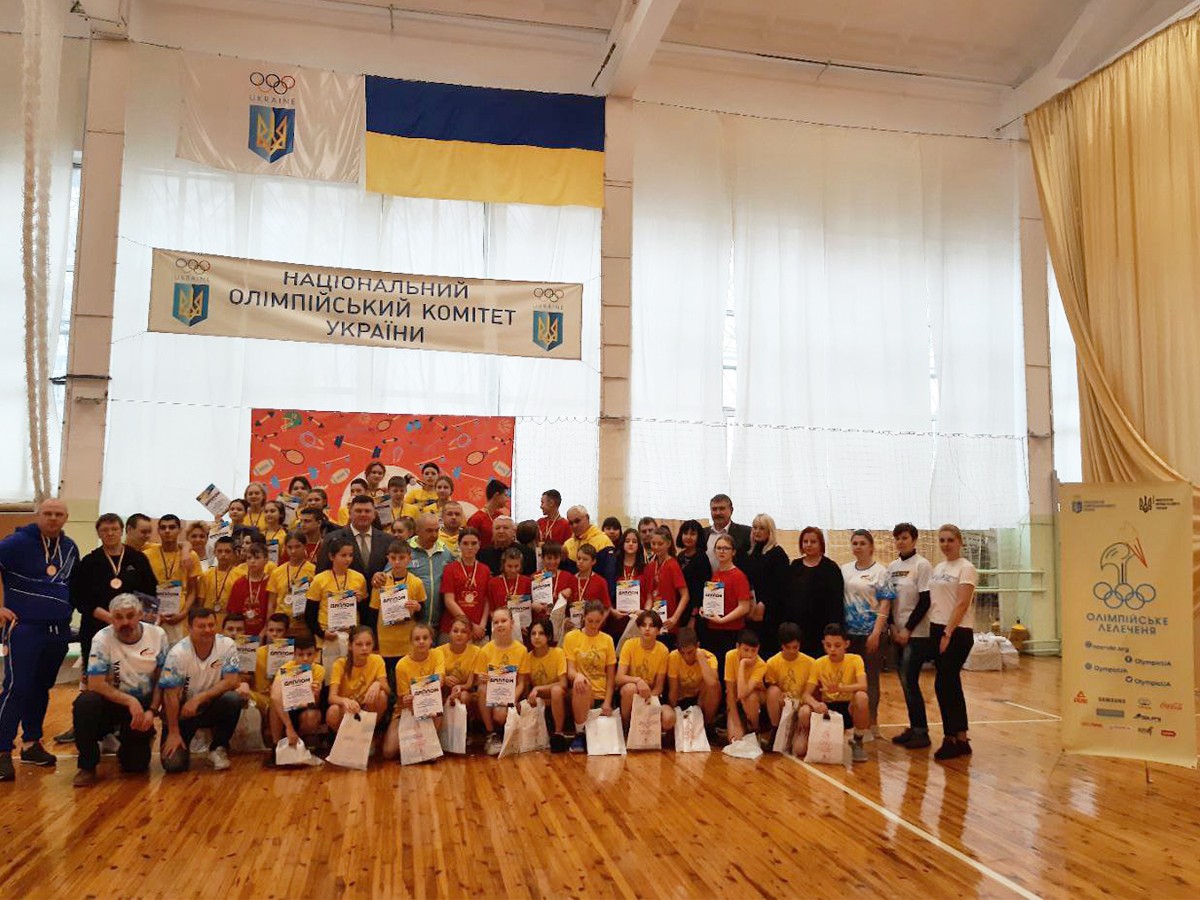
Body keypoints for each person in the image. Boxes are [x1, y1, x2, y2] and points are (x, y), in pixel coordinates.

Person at [58, 513, 156, 744]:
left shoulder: (137, 559)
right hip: (96, 629)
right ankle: (92, 727)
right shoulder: (90, 562)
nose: (110, 533)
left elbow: (150, 593)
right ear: (99, 533)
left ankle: (128, 724)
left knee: (128, 676)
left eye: (114, 529)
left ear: (122, 531)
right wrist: (111, 618)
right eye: (105, 530)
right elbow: (79, 597)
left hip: (131, 632)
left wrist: (132, 620)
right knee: (94, 680)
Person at [0, 498, 79, 781]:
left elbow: (73, 584)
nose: (53, 518)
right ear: (38, 514)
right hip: (24, 628)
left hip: (57, 630)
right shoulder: (16, 543)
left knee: (41, 688)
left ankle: (32, 744)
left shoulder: (70, 548)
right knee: (17, 687)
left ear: (66, 517)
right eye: (48, 513)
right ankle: (2, 751)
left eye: (58, 514)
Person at [70, 594, 169, 787]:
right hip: (111, 702)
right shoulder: (102, 638)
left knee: (135, 766)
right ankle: (87, 765)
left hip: (142, 705)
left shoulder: (158, 635)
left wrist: (152, 710)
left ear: (140, 615)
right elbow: (95, 684)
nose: (125, 622)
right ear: (111, 617)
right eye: (118, 617)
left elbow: (161, 680)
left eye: (130, 616)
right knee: (85, 703)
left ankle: (135, 738)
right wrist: (129, 701)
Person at [159, 606, 244, 773]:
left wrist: (199, 698)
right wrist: (174, 732)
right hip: (182, 713)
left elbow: (232, 681)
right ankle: (181, 742)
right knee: (173, 765)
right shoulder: (177, 654)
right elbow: (170, 696)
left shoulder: (227, 645)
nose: (207, 630)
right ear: (189, 628)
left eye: (211, 625)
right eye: (201, 626)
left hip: (210, 706)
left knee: (233, 699)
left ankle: (218, 748)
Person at [929, 524, 977, 761]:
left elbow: (962, 603)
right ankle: (961, 738)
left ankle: (951, 738)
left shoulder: (966, 568)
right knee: (950, 684)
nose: (945, 544)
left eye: (950, 540)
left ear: (960, 542)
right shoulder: (939, 567)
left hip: (957, 630)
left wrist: (948, 633)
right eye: (942, 540)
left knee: (944, 683)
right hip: (937, 627)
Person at [840, 529, 892, 737]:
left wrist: (876, 633)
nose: (858, 547)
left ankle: (872, 724)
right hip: (849, 635)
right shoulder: (844, 570)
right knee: (850, 679)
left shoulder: (881, 572)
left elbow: (886, 604)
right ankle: (855, 723)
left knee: (870, 680)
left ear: (871, 547)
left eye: (862, 543)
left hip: (871, 634)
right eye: (855, 543)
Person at [888, 523, 934, 750]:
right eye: (897, 538)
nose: (900, 542)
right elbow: (888, 599)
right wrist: (892, 627)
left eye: (904, 538)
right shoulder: (892, 567)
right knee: (905, 682)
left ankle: (921, 731)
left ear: (914, 540)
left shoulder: (922, 565)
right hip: (898, 633)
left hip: (916, 634)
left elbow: (925, 601)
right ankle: (914, 726)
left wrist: (908, 629)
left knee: (910, 680)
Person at [803, 623, 870, 763]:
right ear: (823, 644)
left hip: (849, 706)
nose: (832, 649)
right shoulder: (818, 663)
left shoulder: (855, 659)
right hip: (828, 708)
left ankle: (857, 740)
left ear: (846, 644)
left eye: (837, 645)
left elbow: (863, 685)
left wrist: (839, 688)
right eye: (828, 645)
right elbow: (806, 695)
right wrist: (815, 704)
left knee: (862, 697)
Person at [382, 622, 444, 760]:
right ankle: (415, 745)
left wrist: (422, 691)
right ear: (411, 642)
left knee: (437, 709)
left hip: (430, 706)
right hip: (406, 710)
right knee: (389, 752)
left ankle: (428, 748)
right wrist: (407, 698)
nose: (421, 642)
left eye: (425, 638)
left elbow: (439, 681)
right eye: (417, 639)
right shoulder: (402, 665)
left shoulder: (438, 654)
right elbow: (403, 698)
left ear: (431, 640)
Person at [563, 600, 617, 753]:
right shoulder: (572, 637)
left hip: (601, 695)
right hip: (581, 692)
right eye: (590, 621)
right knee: (582, 685)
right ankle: (580, 733)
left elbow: (611, 677)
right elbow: (570, 670)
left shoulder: (607, 640)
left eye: (597, 621)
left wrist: (607, 702)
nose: (593, 625)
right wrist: (578, 676)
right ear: (583, 618)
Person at [370, 540, 426, 679]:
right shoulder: (381, 582)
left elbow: (422, 614)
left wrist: (418, 607)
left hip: (408, 643)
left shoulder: (416, 582)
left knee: (406, 680)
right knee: (388, 680)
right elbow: (373, 612)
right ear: (388, 558)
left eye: (401, 558)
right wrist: (374, 642)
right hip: (385, 643)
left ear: (409, 558)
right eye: (393, 558)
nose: (397, 562)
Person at [305, 539, 368, 662]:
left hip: (351, 637)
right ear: (331, 556)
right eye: (343, 555)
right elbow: (309, 614)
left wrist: (361, 601)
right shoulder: (319, 580)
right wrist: (322, 633)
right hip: (327, 637)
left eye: (350, 555)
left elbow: (365, 613)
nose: (348, 559)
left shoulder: (359, 578)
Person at [786, 526, 845, 658]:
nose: (809, 545)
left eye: (813, 541)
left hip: (823, 628)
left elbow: (836, 601)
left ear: (821, 544)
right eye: (805, 541)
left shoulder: (831, 568)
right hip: (799, 628)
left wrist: (834, 630)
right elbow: (788, 597)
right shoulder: (795, 566)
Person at [475, 607, 527, 755]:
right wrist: (482, 679)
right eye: (496, 622)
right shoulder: (485, 650)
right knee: (482, 689)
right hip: (493, 697)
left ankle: (505, 734)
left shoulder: (521, 650)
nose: (500, 625)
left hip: (512, 696)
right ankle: (491, 734)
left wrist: (512, 698)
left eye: (503, 621)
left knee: (500, 714)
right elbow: (479, 682)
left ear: (512, 623)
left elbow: (521, 683)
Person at [267, 634, 325, 763]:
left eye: (309, 654)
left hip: (304, 708)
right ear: (294, 654)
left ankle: (300, 741)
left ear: (316, 654)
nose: (305, 658)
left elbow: (315, 703)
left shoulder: (319, 670)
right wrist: (289, 727)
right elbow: (275, 696)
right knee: (274, 702)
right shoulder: (285, 669)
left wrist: (315, 693)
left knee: (313, 716)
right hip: (285, 711)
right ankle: (276, 746)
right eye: (300, 654)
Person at [697, 534, 753, 664]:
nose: (721, 551)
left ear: (733, 552)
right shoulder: (716, 574)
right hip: (713, 629)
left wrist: (723, 620)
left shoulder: (738, 576)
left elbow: (744, 607)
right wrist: (704, 609)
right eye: (718, 548)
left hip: (731, 631)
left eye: (726, 548)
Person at [616, 609, 673, 734]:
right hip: (631, 694)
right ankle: (625, 728)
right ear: (639, 628)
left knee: (669, 717)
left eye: (651, 626)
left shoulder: (663, 650)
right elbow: (619, 678)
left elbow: (659, 687)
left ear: (658, 630)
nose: (647, 629)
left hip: (651, 694)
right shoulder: (629, 645)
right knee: (630, 688)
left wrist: (649, 698)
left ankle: (654, 736)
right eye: (643, 625)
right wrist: (638, 680)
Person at [147, 514, 202, 644]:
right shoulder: (147, 554)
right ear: (158, 531)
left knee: (179, 654)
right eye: (163, 528)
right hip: (155, 616)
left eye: (172, 527)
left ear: (179, 530)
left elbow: (193, 590)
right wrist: (153, 613)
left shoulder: (191, 556)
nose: (167, 531)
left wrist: (183, 613)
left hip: (180, 617)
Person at [326, 626, 389, 737]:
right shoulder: (340, 664)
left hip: (367, 706)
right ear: (350, 646)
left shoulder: (377, 660)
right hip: (347, 708)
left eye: (368, 644)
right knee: (333, 711)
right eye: (359, 644)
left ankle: (368, 733)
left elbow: (388, 690)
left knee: (382, 696)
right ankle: (345, 738)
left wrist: (378, 684)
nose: (364, 648)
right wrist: (344, 701)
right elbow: (331, 697)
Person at [763, 622, 815, 756]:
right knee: (773, 692)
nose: (792, 651)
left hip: (802, 706)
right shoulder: (772, 662)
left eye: (795, 647)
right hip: (784, 706)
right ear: (781, 645)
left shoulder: (810, 663)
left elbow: (809, 692)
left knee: (799, 750)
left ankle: (801, 731)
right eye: (788, 647)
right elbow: (772, 687)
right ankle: (775, 730)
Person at [743, 514, 790, 658]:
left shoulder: (778, 554)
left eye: (762, 528)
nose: (757, 531)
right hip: (751, 609)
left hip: (771, 613)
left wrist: (764, 604)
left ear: (770, 531)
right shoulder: (749, 552)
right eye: (755, 527)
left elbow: (781, 586)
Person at [317, 494, 391, 583]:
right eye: (358, 511)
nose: (363, 514)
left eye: (367, 511)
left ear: (374, 514)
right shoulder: (333, 538)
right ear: (350, 513)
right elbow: (321, 573)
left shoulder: (387, 540)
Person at [519, 619, 569, 752]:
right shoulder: (527, 657)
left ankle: (558, 734)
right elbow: (526, 688)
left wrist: (538, 688)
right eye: (533, 633)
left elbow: (563, 684)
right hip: (539, 700)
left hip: (559, 697)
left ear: (549, 636)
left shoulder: (558, 653)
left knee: (556, 691)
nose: (537, 637)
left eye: (541, 633)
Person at [666, 627, 720, 735]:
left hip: (700, 699)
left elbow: (713, 684)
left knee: (715, 686)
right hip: (681, 698)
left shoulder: (709, 657)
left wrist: (701, 659)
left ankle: (708, 725)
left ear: (697, 646)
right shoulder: (674, 656)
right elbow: (673, 690)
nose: (686, 657)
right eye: (683, 653)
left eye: (690, 652)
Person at [439, 529, 490, 643]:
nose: (470, 547)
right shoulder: (450, 569)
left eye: (474, 543)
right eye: (465, 543)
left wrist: (482, 625)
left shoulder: (485, 569)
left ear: (479, 545)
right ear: (459, 544)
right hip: (453, 629)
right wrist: (469, 625)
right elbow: (449, 601)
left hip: (478, 631)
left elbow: (487, 600)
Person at [643, 527, 689, 645]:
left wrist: (675, 618)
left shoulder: (673, 565)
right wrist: (645, 615)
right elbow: (649, 596)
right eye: (653, 543)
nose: (656, 547)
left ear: (668, 544)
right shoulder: (650, 567)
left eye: (660, 544)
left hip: (668, 623)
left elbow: (685, 595)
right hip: (653, 624)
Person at [268, 531, 317, 639]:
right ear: (285, 548)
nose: (293, 551)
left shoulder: (313, 571)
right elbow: (271, 604)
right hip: (281, 628)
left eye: (297, 546)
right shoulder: (277, 572)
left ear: (305, 546)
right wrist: (270, 625)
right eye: (289, 547)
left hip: (303, 627)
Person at [408, 513, 450, 631]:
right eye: (429, 531)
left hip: (439, 623)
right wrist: (378, 576)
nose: (434, 535)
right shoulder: (404, 550)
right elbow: (388, 576)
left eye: (437, 530)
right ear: (417, 530)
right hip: (412, 624)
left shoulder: (445, 552)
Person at [724, 629, 766, 743]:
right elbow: (730, 692)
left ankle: (755, 729)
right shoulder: (730, 656)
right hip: (735, 700)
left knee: (749, 697)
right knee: (734, 740)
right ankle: (741, 724)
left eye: (754, 650)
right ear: (738, 647)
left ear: (758, 648)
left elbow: (742, 693)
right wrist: (736, 723)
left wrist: (742, 664)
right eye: (746, 650)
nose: (750, 655)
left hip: (753, 701)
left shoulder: (761, 664)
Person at [226, 542, 273, 636]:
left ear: (266, 559)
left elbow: (273, 610)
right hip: (242, 634)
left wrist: (265, 630)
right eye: (249, 558)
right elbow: (233, 613)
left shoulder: (271, 582)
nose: (252, 561)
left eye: (257, 558)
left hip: (265, 632)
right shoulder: (239, 583)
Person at [487, 547, 532, 643]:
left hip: (522, 631)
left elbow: (528, 608)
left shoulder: (527, 581)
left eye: (516, 566)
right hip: (500, 629)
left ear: (521, 565)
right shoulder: (493, 583)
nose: (513, 570)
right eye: (509, 566)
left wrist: (520, 626)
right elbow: (491, 610)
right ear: (503, 565)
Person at [674, 519, 711, 633]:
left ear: (699, 537)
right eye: (685, 533)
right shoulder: (680, 556)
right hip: (679, 607)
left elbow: (701, 590)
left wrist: (693, 617)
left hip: (693, 612)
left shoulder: (702, 558)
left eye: (693, 534)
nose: (688, 537)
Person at [562, 507, 616, 585]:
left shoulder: (603, 541)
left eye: (577, 521)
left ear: (587, 518)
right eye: (571, 523)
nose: (574, 526)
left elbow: (610, 576)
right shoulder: (567, 545)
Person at [609, 528, 645, 641]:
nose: (630, 544)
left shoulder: (645, 568)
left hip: (638, 620)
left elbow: (649, 594)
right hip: (617, 619)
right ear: (622, 543)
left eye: (634, 541)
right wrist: (611, 610)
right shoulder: (613, 567)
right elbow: (606, 592)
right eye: (627, 541)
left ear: (639, 545)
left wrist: (644, 611)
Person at [531, 542, 576, 630]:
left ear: (560, 558)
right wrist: (532, 605)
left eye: (556, 558)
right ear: (542, 558)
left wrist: (569, 596)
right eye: (549, 558)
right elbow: (527, 601)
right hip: (540, 624)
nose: (552, 561)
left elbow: (574, 603)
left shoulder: (568, 577)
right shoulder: (534, 577)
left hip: (561, 624)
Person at [437, 615, 480, 708]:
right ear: (449, 633)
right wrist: (444, 679)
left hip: (465, 690)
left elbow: (469, 684)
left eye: (464, 631)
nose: (459, 634)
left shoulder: (476, 652)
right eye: (455, 631)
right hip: (442, 690)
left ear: (469, 635)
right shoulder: (438, 652)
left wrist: (459, 687)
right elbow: (431, 679)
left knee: (464, 696)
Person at [568, 543, 610, 634]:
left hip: (593, 630)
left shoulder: (600, 581)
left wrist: (597, 624)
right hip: (574, 630)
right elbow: (566, 607)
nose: (580, 561)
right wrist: (566, 620)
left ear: (593, 561)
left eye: (585, 559)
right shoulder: (570, 579)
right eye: (579, 558)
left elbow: (606, 608)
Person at [702, 494, 752, 568]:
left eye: (722, 509)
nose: (718, 513)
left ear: (731, 510)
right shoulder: (702, 533)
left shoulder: (746, 533)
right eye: (714, 509)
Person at [197, 536, 238, 620]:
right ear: (214, 552)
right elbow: (200, 603)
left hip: (229, 620)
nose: (223, 554)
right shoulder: (206, 575)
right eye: (219, 551)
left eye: (227, 551)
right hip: (208, 620)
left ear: (234, 553)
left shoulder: (240, 575)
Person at [466, 479, 509, 549]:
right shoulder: (476, 519)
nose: (507, 499)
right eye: (505, 495)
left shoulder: (500, 516)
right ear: (496, 495)